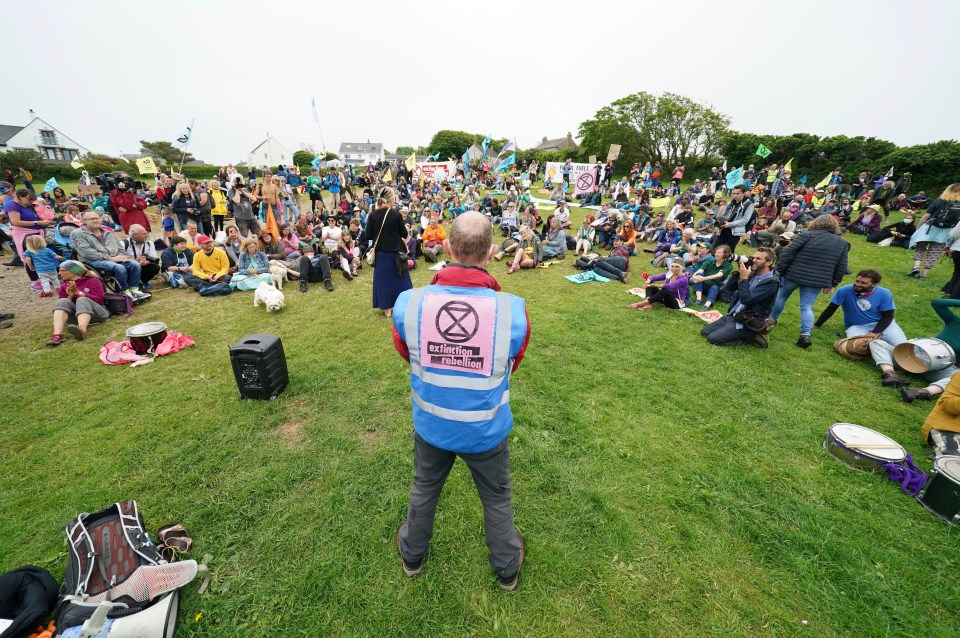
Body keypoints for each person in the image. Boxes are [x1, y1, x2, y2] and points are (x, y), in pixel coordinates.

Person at [393, 211, 529, 591]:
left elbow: (407, 353)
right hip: (486, 430)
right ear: (491, 253)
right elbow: (511, 364)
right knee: (497, 499)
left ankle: (412, 556)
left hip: (432, 425)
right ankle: (506, 568)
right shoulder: (512, 311)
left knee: (424, 488)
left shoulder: (409, 303)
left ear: (447, 247)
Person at [769, 215, 850, 348]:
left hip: (794, 274)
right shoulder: (842, 243)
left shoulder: (806, 235)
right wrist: (833, 283)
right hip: (816, 280)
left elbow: (789, 253)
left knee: (781, 297)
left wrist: (778, 271)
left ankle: (770, 321)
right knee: (806, 306)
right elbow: (842, 266)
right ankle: (805, 335)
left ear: (815, 223)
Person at [701, 247, 779, 348]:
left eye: (758, 258)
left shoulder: (771, 282)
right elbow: (729, 287)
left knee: (713, 339)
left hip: (748, 321)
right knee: (705, 332)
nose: (753, 260)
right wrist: (738, 272)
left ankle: (750, 336)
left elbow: (746, 299)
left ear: (769, 262)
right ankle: (734, 329)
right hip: (734, 315)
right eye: (753, 257)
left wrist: (744, 279)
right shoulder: (752, 272)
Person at [813, 269, 907, 346]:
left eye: (863, 283)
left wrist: (874, 332)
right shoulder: (844, 290)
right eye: (857, 281)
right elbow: (831, 309)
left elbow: (888, 316)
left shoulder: (884, 293)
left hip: (882, 325)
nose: (858, 284)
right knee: (857, 346)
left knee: (901, 346)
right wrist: (817, 325)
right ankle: (881, 344)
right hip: (856, 327)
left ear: (874, 284)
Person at [72, 210, 150, 300]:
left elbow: (119, 247)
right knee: (119, 268)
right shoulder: (77, 233)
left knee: (135, 264)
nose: (95, 220)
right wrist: (111, 258)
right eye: (91, 219)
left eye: (97, 218)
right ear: (84, 221)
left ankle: (134, 290)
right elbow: (86, 252)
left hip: (114, 258)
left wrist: (123, 257)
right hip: (93, 260)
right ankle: (125, 292)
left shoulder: (107, 232)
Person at [358, 187, 412, 318]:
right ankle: (405, 304)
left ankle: (387, 310)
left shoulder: (372, 215)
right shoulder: (396, 214)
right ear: (390, 199)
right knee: (401, 280)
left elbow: (368, 235)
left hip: (381, 253)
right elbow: (404, 234)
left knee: (383, 282)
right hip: (396, 253)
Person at [46, 260, 110, 346]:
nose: (59, 273)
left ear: (74, 271)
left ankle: (82, 331)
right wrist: (70, 296)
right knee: (62, 301)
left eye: (62, 270)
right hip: (76, 318)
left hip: (98, 314)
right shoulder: (64, 286)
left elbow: (99, 300)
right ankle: (58, 335)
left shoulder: (92, 281)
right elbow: (63, 307)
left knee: (82, 299)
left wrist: (78, 293)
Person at [908, 183, 960, 279]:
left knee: (921, 247)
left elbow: (926, 216)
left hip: (930, 228)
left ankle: (916, 266)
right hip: (946, 232)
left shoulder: (939, 201)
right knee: (935, 252)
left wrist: (918, 227)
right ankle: (924, 274)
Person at [3, 188, 50, 267]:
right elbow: (16, 222)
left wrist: (45, 222)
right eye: (29, 199)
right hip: (24, 234)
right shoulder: (12, 206)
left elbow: (36, 217)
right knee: (34, 254)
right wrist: (37, 222)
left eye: (32, 200)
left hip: (36, 231)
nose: (31, 202)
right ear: (19, 197)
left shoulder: (28, 205)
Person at [714, 185, 754, 254]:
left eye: (738, 193)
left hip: (735, 232)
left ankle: (726, 265)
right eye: (734, 193)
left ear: (744, 193)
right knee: (716, 249)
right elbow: (723, 215)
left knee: (729, 253)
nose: (735, 196)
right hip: (723, 229)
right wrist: (721, 222)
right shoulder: (730, 203)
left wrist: (729, 224)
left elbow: (745, 220)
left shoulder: (749, 204)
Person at [691, 245, 732, 309]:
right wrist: (694, 276)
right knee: (699, 274)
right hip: (703, 286)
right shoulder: (711, 260)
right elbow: (701, 270)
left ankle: (707, 305)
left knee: (715, 287)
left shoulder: (728, 266)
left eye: (719, 253)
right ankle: (699, 299)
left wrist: (705, 278)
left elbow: (718, 275)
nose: (716, 254)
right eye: (716, 252)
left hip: (714, 287)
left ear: (725, 254)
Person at [124, 224, 161, 289]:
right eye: (144, 234)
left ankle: (143, 282)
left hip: (143, 267)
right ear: (135, 235)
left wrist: (146, 262)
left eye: (146, 233)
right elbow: (120, 262)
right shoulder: (124, 244)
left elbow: (154, 258)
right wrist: (135, 261)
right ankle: (130, 283)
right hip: (129, 268)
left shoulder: (149, 243)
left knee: (155, 267)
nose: (147, 235)